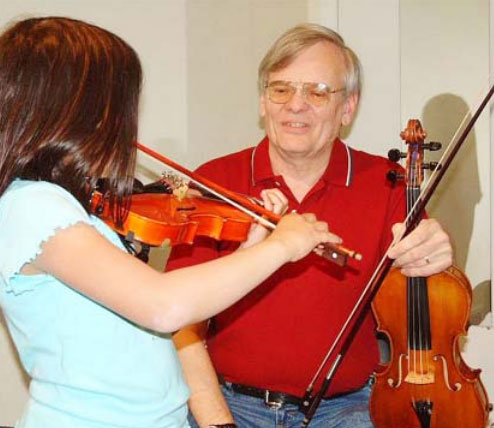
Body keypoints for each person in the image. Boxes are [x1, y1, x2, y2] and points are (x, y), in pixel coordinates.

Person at [0, 17, 336, 428]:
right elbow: (163, 306)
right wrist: (279, 248)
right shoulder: (33, 207)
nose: (124, 123)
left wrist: (250, 249)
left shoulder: (66, 202)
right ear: (74, 109)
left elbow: (162, 306)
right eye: (118, 106)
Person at [169, 23, 453, 428]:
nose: (295, 105)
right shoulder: (215, 182)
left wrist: (438, 256)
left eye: (317, 91)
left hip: (345, 408)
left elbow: (424, 298)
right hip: (229, 402)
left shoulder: (387, 183)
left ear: (348, 108)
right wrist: (218, 422)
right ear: (263, 102)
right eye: (281, 89)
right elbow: (180, 324)